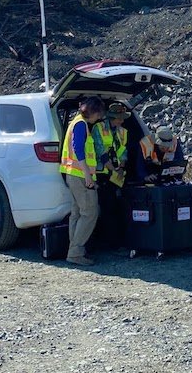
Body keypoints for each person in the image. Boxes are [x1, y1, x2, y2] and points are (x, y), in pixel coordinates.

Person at [59, 96, 106, 266]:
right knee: (90, 212)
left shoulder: (75, 122)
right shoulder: (81, 125)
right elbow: (78, 149)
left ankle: (75, 250)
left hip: (71, 174)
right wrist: (87, 175)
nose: (99, 118)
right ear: (93, 112)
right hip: (79, 175)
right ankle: (76, 252)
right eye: (98, 114)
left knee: (77, 213)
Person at [89, 102, 131, 248]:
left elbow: (122, 151)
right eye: (119, 118)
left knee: (117, 207)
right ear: (112, 117)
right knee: (107, 208)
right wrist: (114, 170)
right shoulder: (98, 128)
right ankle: (109, 242)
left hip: (116, 174)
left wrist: (121, 167)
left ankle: (119, 239)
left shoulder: (122, 131)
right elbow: (101, 152)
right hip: (103, 174)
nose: (122, 121)